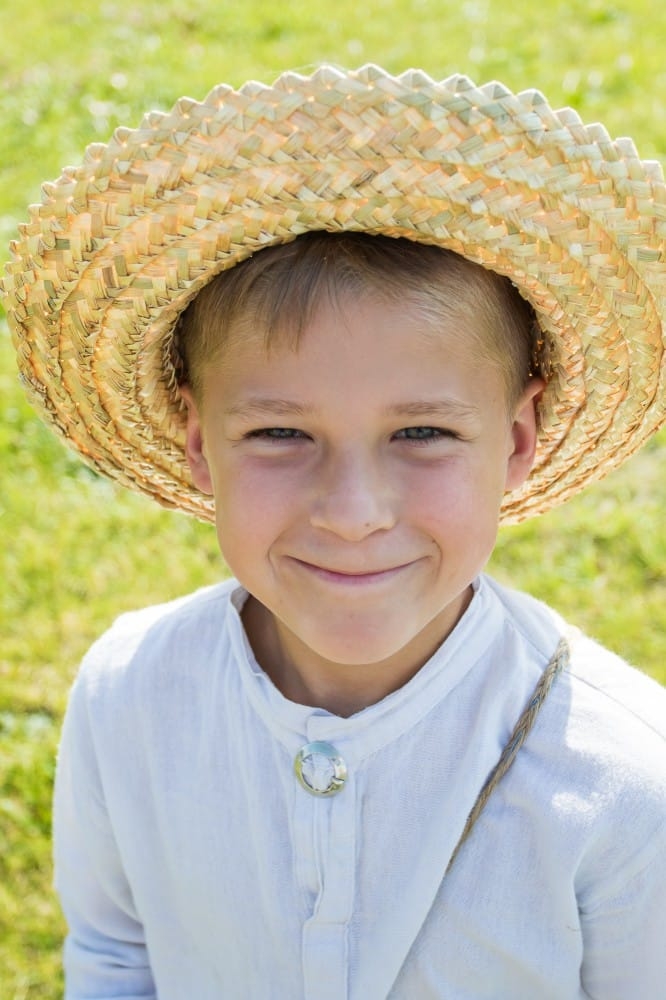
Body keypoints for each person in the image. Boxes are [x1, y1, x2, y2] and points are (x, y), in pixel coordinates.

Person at [3, 65, 666, 999]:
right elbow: (117, 957)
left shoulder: (627, 782)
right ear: (198, 444)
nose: (354, 512)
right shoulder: (130, 697)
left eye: (422, 434)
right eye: (279, 433)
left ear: (516, 441)